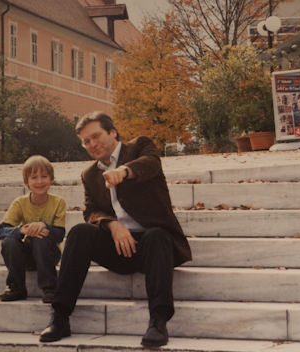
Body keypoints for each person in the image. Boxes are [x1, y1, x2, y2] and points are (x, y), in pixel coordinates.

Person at [39, 112, 192, 347]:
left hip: (155, 247)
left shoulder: (139, 147)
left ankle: (158, 322)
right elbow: (90, 211)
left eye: (96, 136)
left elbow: (150, 164)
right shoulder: (90, 174)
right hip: (121, 247)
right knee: (80, 232)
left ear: (113, 132)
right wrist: (112, 225)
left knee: (157, 235)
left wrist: (123, 172)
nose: (92, 144)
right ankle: (60, 317)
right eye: (86, 141)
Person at [0, 155, 66, 303]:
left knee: (39, 235)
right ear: (26, 182)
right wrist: (22, 230)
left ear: (51, 179)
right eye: (34, 177)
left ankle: (49, 288)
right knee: (9, 241)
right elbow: (1, 231)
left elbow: (60, 235)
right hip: (26, 257)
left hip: (48, 254)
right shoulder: (19, 203)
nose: (40, 181)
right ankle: (16, 288)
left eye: (44, 176)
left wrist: (44, 226)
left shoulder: (58, 202)